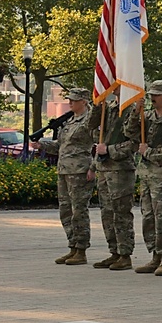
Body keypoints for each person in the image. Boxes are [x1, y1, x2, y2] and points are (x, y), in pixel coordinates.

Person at [31, 88, 100, 265]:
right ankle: (73, 246)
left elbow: (99, 145)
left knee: (79, 211)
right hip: (64, 170)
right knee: (65, 211)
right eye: (69, 99)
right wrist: (42, 146)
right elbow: (61, 145)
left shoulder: (89, 122)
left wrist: (93, 168)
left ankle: (81, 250)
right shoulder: (70, 121)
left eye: (74, 100)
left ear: (84, 101)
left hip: (79, 171)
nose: (70, 103)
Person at [126, 80, 162, 276]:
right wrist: (136, 111)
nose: (152, 98)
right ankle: (155, 256)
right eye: (151, 94)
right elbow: (129, 132)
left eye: (157, 94)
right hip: (148, 177)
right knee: (148, 218)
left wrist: (147, 152)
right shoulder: (147, 117)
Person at [91, 98, 138, 270]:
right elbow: (91, 125)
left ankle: (125, 254)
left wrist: (110, 150)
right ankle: (114, 252)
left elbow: (135, 142)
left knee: (121, 212)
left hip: (120, 169)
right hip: (104, 167)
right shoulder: (107, 107)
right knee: (107, 213)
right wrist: (97, 105)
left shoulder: (131, 109)